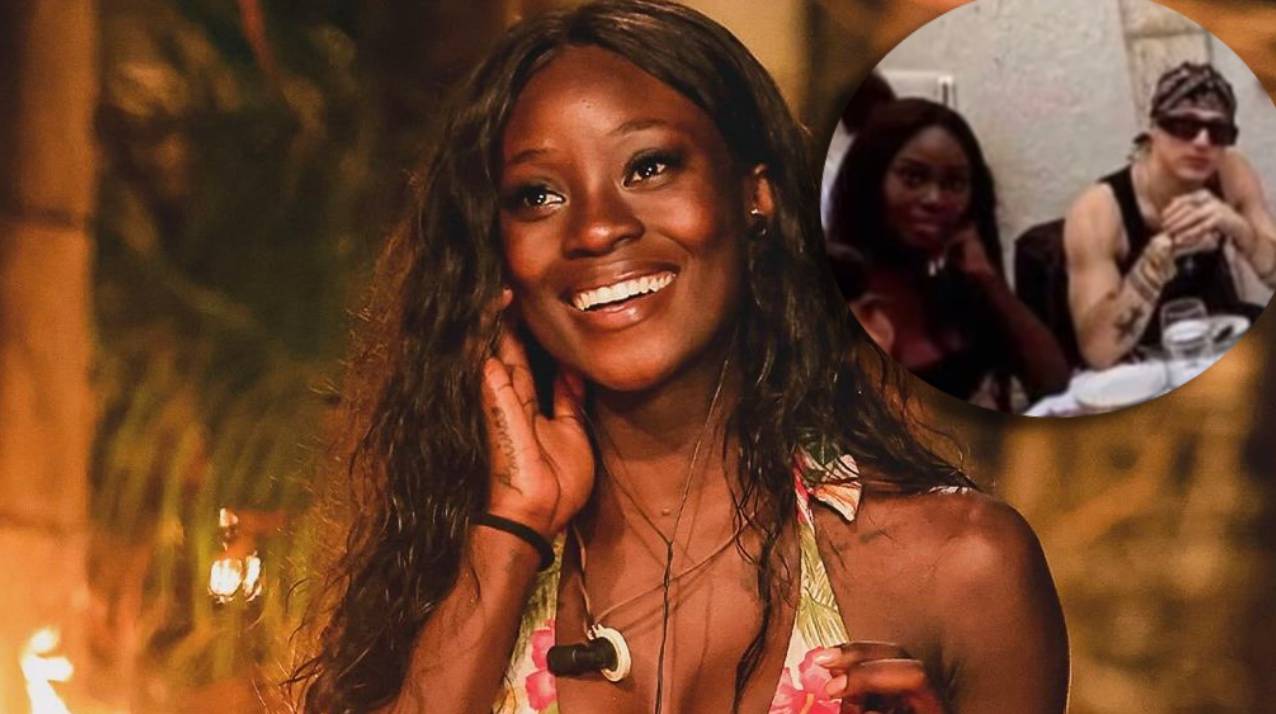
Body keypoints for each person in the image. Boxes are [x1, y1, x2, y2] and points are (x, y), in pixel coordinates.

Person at [288, 2, 1068, 712]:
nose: (596, 228)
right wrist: (510, 532)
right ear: (498, 257)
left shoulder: (962, 568)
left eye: (649, 166)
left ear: (754, 196)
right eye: (538, 195)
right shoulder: (447, 572)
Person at [826, 98, 1069, 411]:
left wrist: (990, 282)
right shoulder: (838, 290)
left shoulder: (957, 289)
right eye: (913, 178)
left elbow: (1054, 385)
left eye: (954, 183)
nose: (935, 198)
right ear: (870, 181)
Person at [1065, 61, 1276, 369]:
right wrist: (1156, 260)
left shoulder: (1231, 173)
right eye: (1184, 127)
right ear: (1154, 130)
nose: (1202, 142)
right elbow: (1099, 352)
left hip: (1218, 337)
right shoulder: (1098, 209)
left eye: (1218, 132)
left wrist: (1241, 230)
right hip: (1142, 362)